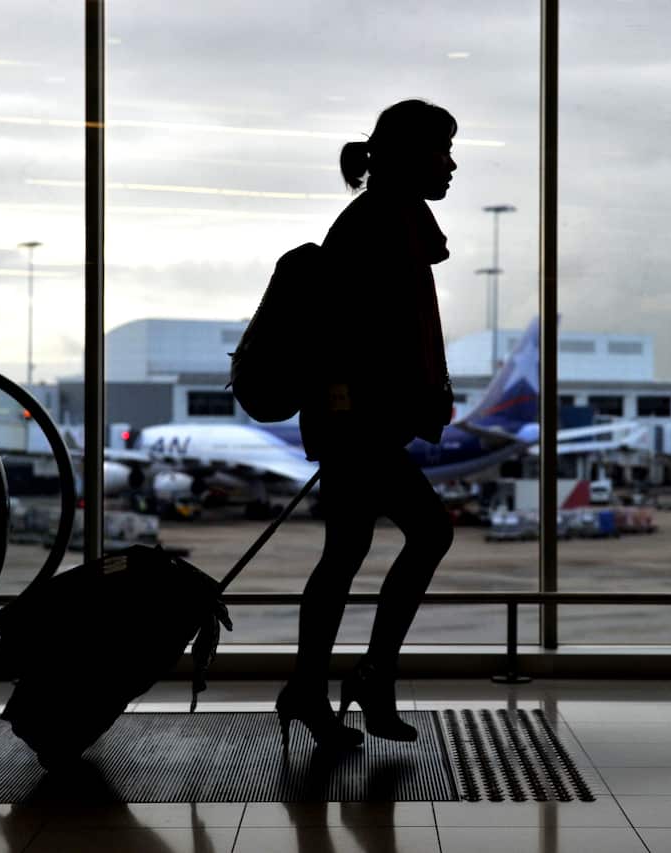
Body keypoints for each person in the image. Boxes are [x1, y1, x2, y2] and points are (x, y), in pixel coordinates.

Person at [275, 99, 458, 750]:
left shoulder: (393, 218)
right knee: (430, 531)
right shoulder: (378, 223)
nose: (452, 163)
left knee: (344, 554)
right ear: (411, 155)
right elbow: (347, 336)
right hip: (358, 425)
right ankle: (371, 675)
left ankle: (311, 687)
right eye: (441, 149)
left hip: (353, 422)